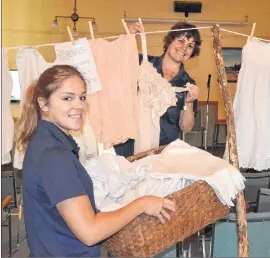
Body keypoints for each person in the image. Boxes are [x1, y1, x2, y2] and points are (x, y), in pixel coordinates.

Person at [16, 65, 175, 257]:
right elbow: (90, 232)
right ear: (43, 103)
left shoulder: (45, 143)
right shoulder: (54, 156)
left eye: (82, 97)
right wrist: (142, 204)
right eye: (67, 98)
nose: (79, 105)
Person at [117, 21, 201, 155]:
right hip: (129, 148)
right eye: (180, 40)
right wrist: (127, 38)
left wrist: (189, 103)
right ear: (169, 42)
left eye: (190, 46)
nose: (184, 47)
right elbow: (115, 60)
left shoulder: (188, 84)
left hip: (163, 153)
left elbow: (186, 127)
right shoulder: (142, 64)